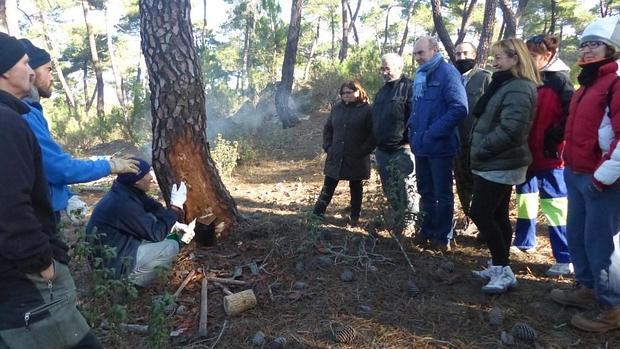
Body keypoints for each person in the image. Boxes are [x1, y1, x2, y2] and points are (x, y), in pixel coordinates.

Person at [0, 33, 102, 349]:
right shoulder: (6, 123)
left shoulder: (13, 116)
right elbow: (9, 207)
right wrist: (44, 263)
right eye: (26, 62)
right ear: (4, 70)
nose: (32, 71)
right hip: (24, 275)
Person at [549, 16, 620, 332]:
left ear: (611, 49)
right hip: (575, 173)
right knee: (577, 234)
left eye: (595, 44)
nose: (587, 50)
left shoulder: (616, 83)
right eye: (584, 44)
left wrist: (602, 178)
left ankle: (612, 308)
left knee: (602, 244)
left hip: (603, 180)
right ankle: (587, 287)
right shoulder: (585, 84)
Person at [19, 39, 139, 222]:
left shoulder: (31, 111)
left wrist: (67, 196)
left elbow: (44, 167)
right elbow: (59, 168)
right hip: (37, 216)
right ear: (31, 73)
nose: (52, 77)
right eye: (48, 69)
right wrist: (110, 166)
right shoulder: (24, 115)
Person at [469, 38, 540, 294]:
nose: (494, 62)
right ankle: (501, 265)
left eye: (499, 57)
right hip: (493, 161)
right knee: (497, 213)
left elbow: (512, 129)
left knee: (480, 212)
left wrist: (483, 147)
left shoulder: (519, 88)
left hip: (499, 161)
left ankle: (503, 269)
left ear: (515, 58)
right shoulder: (505, 84)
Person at [511, 34, 574, 276]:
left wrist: (554, 136)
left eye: (533, 56)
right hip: (527, 154)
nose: (528, 60)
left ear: (547, 56)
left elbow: (572, 115)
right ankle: (525, 241)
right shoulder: (527, 78)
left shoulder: (560, 81)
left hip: (551, 155)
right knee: (525, 199)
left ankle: (565, 256)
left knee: (555, 204)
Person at [86, 158, 194, 287]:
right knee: (170, 246)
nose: (151, 178)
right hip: (113, 264)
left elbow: (154, 208)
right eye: (147, 174)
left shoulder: (125, 190)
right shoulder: (124, 204)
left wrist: (172, 220)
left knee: (155, 223)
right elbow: (156, 234)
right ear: (137, 181)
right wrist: (175, 208)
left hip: (116, 249)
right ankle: (128, 283)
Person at [408, 37, 468, 252]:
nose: (417, 58)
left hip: (440, 147)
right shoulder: (421, 76)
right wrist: (413, 132)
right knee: (425, 191)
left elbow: (459, 108)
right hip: (422, 146)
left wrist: (433, 133)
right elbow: (417, 110)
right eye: (415, 54)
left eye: (421, 53)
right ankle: (426, 231)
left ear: (434, 50)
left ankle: (442, 238)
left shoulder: (448, 73)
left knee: (442, 194)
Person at [313, 80, 374, 224]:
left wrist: (364, 150)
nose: (346, 95)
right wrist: (328, 147)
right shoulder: (337, 109)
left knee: (356, 187)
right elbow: (328, 129)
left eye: (349, 92)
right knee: (329, 184)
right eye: (343, 93)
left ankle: (354, 217)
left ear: (358, 91)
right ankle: (316, 214)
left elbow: (373, 134)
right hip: (336, 154)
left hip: (357, 157)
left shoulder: (368, 110)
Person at [372, 53, 418, 235]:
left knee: (407, 187)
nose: (384, 72)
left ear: (399, 68)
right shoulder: (382, 92)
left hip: (402, 148)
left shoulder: (409, 87)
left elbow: (414, 117)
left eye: (387, 68)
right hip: (383, 149)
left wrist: (409, 142)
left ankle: (411, 224)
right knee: (389, 187)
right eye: (382, 68)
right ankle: (398, 220)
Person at [453, 42, 492, 233]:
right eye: (458, 54)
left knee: (480, 187)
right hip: (456, 143)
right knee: (463, 185)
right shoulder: (452, 79)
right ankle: (472, 223)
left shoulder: (484, 78)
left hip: (478, 143)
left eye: (465, 53)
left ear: (475, 55)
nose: (461, 58)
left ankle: (487, 229)